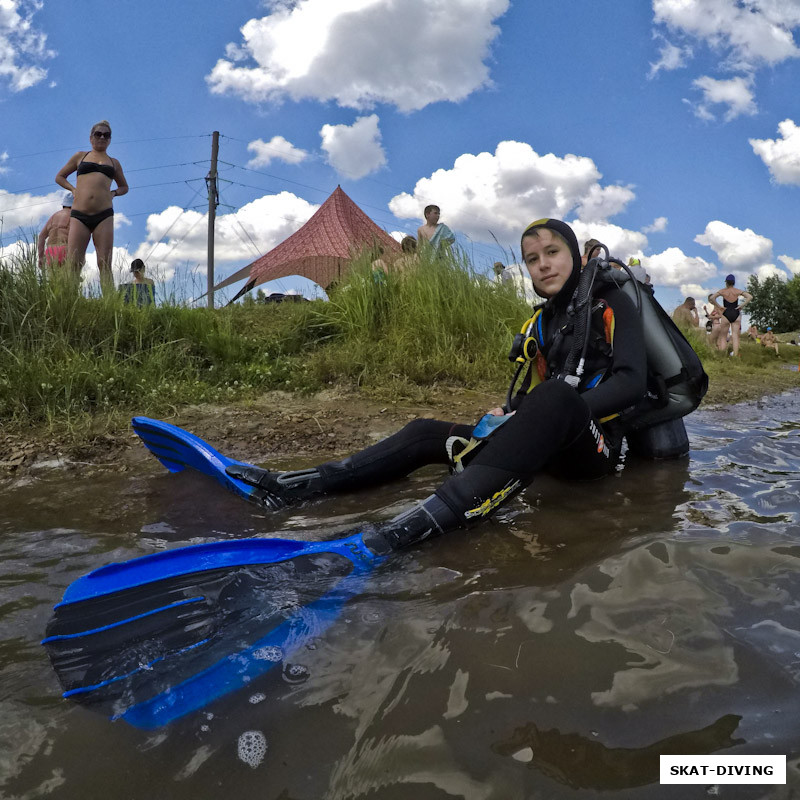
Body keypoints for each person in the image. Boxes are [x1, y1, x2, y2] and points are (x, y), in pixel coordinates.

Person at [224, 218, 649, 552]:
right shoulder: (541, 320)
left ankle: (404, 533)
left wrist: (560, 411)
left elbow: (632, 382)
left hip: (597, 452)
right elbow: (531, 391)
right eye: (532, 257)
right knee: (426, 432)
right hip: (541, 443)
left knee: (557, 396)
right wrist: (515, 413)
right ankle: (296, 486)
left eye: (553, 252)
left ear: (574, 254)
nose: (543, 263)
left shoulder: (611, 302)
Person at [55, 120, 128, 294]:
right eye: (98, 134)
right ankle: (68, 302)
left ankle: (110, 306)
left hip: (104, 215)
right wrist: (73, 189)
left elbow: (124, 187)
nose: (102, 137)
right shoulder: (80, 156)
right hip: (79, 214)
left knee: (104, 263)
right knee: (74, 262)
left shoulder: (114, 163)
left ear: (110, 139)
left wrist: (114, 193)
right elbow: (59, 177)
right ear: (91, 137)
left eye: (106, 135)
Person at [708, 274, 752, 357]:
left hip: (726, 312)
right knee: (735, 336)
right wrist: (742, 305)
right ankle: (735, 356)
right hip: (736, 312)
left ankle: (722, 354)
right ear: (734, 282)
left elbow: (712, 298)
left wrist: (719, 306)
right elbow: (750, 297)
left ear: (726, 283)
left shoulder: (723, 291)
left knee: (723, 336)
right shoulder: (737, 291)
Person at [37, 192, 73, 273]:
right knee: (69, 282)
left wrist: (40, 257)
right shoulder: (73, 215)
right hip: (65, 248)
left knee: (54, 283)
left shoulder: (53, 217)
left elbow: (41, 237)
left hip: (50, 251)